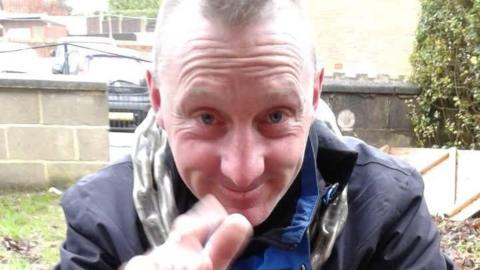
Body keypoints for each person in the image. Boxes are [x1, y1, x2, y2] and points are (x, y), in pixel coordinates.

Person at [55, 0, 456, 269]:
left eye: (276, 116)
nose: (243, 171)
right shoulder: (103, 222)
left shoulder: (387, 207)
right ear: (157, 99)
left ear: (314, 95)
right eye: (207, 119)